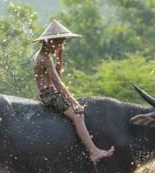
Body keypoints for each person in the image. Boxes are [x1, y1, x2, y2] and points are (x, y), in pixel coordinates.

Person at [33, 19, 114, 163]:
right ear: (50, 41)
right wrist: (74, 103)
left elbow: (57, 74)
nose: (60, 45)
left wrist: (60, 55)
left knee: (77, 112)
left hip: (49, 93)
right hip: (50, 96)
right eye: (59, 42)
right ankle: (94, 151)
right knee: (78, 116)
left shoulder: (42, 56)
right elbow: (58, 83)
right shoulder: (45, 59)